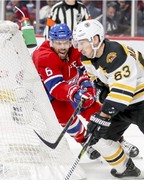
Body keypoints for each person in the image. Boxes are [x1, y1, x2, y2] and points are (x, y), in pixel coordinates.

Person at [32, 23, 139, 163]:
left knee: (96, 111)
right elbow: (56, 87)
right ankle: (84, 141)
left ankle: (119, 140)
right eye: (58, 43)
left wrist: (87, 86)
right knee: (66, 118)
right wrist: (75, 92)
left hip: (71, 86)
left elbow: (84, 71)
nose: (63, 47)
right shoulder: (44, 56)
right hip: (49, 93)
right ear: (51, 42)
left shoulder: (77, 50)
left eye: (66, 42)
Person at [72, 19, 143, 178]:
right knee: (98, 138)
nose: (79, 48)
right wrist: (100, 96)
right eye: (77, 43)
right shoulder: (87, 58)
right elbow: (98, 84)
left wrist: (102, 116)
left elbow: (122, 92)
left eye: (83, 43)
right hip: (123, 105)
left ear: (96, 39)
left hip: (141, 101)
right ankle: (127, 169)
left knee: (98, 126)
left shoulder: (115, 54)